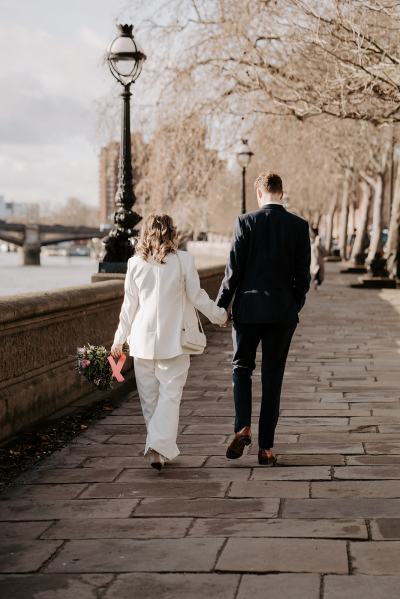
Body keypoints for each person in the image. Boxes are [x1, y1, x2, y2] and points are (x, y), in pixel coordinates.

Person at [111, 214, 227, 470]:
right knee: (170, 396)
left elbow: (129, 307)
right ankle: (157, 445)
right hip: (173, 341)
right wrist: (220, 316)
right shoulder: (184, 261)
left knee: (150, 399)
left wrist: (119, 338)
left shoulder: (134, 264)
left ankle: (157, 448)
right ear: (172, 232)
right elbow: (197, 296)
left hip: (141, 342)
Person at [216, 172, 311, 465]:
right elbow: (303, 276)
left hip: (248, 309)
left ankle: (243, 425)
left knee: (241, 367)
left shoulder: (246, 222)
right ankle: (266, 448)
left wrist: (221, 306)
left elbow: (233, 271)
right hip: (282, 312)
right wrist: (293, 305)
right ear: (281, 193)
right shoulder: (298, 226)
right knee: (273, 378)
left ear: (260, 194)